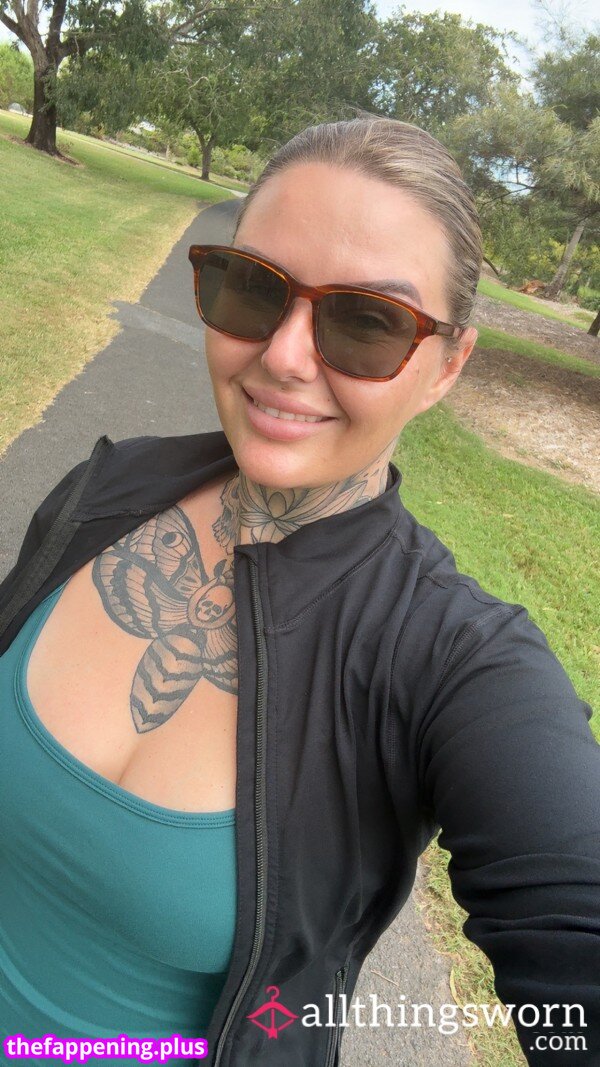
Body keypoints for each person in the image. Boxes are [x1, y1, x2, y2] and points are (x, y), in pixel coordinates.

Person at [0, 116, 598, 1067]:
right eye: (253, 286)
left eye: (366, 322)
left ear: (446, 366)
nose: (283, 355)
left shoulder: (455, 662)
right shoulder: (107, 487)